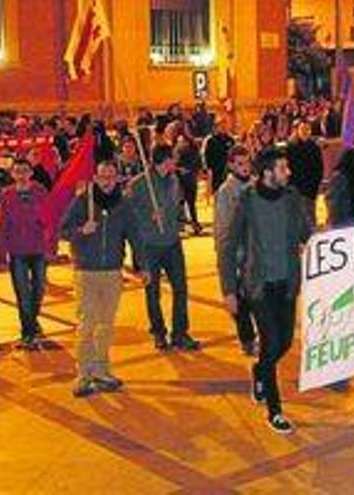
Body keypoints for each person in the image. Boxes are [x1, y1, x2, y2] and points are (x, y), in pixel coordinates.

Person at [218, 147, 311, 434]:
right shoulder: (246, 201)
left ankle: (259, 370)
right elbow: (227, 245)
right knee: (271, 342)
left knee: (284, 343)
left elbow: (308, 233)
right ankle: (275, 410)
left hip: (287, 284)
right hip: (258, 285)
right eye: (283, 168)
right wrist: (229, 290)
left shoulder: (293, 199)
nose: (289, 173)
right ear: (268, 173)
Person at [60, 161, 145, 397]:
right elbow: (63, 230)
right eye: (102, 177)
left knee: (106, 324)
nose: (107, 182)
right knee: (87, 323)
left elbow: (135, 235)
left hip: (112, 271)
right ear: (95, 178)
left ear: (117, 178)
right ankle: (84, 373)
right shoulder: (82, 201)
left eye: (111, 177)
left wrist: (143, 265)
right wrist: (81, 231)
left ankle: (102, 369)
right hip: (86, 271)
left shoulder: (123, 204)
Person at [127, 144, 200, 351]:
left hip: (172, 242)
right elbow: (129, 214)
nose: (175, 163)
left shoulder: (173, 180)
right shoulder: (140, 184)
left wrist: (178, 221)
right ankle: (158, 332)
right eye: (172, 159)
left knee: (181, 289)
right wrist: (148, 216)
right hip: (149, 245)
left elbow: (176, 206)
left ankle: (180, 333)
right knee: (153, 291)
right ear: (164, 160)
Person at [0, 158, 49, 350]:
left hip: (38, 248)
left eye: (25, 171)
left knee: (39, 289)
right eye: (17, 171)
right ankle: (28, 331)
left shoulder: (41, 191)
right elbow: (3, 225)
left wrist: (52, 244)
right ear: (12, 174)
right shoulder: (7, 195)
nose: (21, 175)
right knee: (23, 293)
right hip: (17, 250)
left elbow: (49, 218)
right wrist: (0, 252)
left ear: (31, 173)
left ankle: (32, 320)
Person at [213, 145, 258, 356]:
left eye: (247, 162)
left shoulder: (256, 185)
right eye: (240, 164)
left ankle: (255, 335)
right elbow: (223, 225)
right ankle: (247, 338)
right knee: (240, 299)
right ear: (231, 165)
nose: (245, 167)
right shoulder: (226, 191)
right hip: (237, 251)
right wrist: (225, 252)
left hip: (256, 250)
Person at [286, 120, 324, 228]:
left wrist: (316, 184)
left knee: (310, 217)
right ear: (297, 131)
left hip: (310, 188)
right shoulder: (291, 147)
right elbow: (288, 169)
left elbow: (319, 168)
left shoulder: (315, 147)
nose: (305, 132)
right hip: (296, 187)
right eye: (303, 129)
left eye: (307, 129)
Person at [174, 133, 203, 235]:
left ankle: (192, 225)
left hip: (186, 181)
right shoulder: (179, 152)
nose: (180, 143)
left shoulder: (189, 152)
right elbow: (173, 165)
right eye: (179, 141)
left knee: (187, 204)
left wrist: (186, 170)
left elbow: (198, 166)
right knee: (184, 204)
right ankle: (186, 226)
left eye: (181, 141)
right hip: (184, 181)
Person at [203, 117, 236, 195]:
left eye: (225, 125)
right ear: (216, 127)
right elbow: (208, 158)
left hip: (229, 172)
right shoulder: (211, 141)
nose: (223, 127)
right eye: (221, 125)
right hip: (216, 173)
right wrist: (209, 173)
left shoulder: (231, 140)